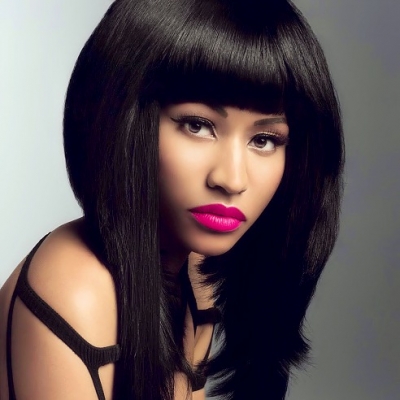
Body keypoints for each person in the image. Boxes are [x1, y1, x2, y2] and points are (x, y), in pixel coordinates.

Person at [0, 0, 344, 399]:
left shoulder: (194, 274)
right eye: (197, 125)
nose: (232, 179)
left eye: (264, 140)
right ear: (124, 119)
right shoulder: (78, 290)